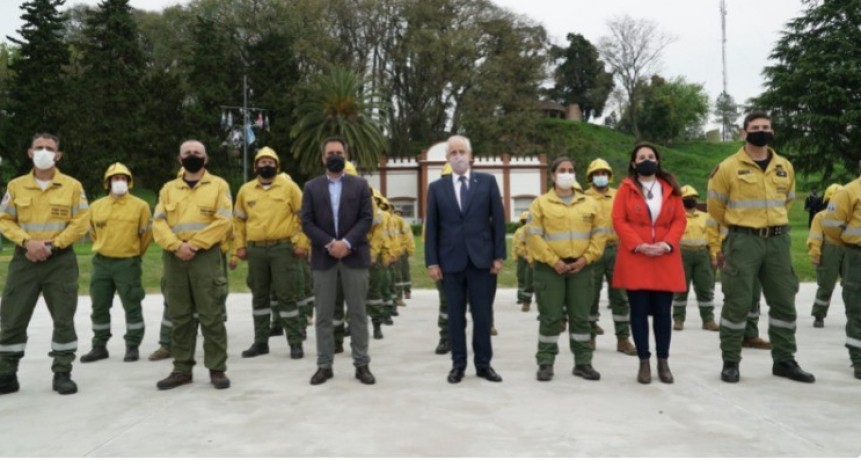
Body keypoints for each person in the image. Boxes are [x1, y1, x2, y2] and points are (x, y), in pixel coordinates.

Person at [707, 111, 815, 384]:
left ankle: (784, 360)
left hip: (778, 241)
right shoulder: (728, 168)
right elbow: (716, 210)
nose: (761, 131)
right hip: (743, 242)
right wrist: (717, 245)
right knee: (737, 302)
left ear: (772, 132)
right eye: (755, 127)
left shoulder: (784, 166)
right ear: (743, 133)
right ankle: (731, 360)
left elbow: (787, 201)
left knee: (784, 301)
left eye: (766, 127)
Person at [0, 133, 90, 395]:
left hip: (59, 261)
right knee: (12, 317)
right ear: (30, 152)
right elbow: (5, 220)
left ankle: (62, 372)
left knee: (63, 318)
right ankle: (6, 373)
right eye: (39, 147)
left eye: (49, 148)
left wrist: (54, 245)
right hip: (24, 259)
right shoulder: (16, 186)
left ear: (58, 155)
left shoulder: (72, 186)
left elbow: (81, 221)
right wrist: (28, 242)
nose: (44, 152)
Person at [425, 135, 506, 384]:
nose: (458, 156)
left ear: (470, 155)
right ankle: (458, 365)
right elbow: (432, 228)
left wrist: (499, 255)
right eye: (453, 152)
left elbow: (498, 222)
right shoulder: (437, 188)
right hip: (450, 263)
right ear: (447, 158)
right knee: (455, 317)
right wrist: (432, 262)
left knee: (482, 316)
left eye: (462, 151)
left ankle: (484, 365)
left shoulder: (488, 182)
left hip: (482, 261)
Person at [152, 140, 233, 390]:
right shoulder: (168, 189)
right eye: (187, 153)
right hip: (175, 258)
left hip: (205, 257)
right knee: (180, 316)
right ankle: (182, 369)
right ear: (180, 159)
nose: (192, 156)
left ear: (206, 158)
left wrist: (194, 245)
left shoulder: (219, 185)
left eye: (197, 153)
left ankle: (217, 369)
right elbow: (158, 222)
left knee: (211, 315)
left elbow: (224, 221)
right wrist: (177, 246)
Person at [301, 136, 375, 386]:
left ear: (346, 156)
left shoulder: (361, 185)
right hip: (324, 258)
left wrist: (347, 243)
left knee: (357, 313)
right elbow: (307, 222)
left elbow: (366, 218)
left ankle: (362, 364)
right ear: (323, 157)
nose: (335, 156)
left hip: (354, 256)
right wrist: (330, 244)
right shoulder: (311, 187)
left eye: (339, 152)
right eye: (330, 152)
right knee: (322, 314)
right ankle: (324, 365)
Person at [526, 157, 606, 382]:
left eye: (571, 170)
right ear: (552, 175)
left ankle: (583, 363)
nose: (567, 174)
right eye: (562, 170)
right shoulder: (540, 203)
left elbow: (600, 235)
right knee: (550, 318)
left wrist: (586, 258)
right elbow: (533, 236)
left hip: (581, 267)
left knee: (581, 318)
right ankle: (545, 362)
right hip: (550, 269)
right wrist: (554, 261)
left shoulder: (590, 203)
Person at [612, 143, 686, 384]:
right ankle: (644, 361)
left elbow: (679, 220)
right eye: (641, 157)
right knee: (639, 311)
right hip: (637, 256)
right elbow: (619, 219)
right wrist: (638, 245)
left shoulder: (670, 188)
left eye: (651, 156)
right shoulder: (626, 188)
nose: (647, 160)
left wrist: (667, 244)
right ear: (634, 163)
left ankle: (663, 362)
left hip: (665, 256)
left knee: (664, 313)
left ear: (658, 160)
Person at [232, 147, 306, 359]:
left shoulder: (289, 187)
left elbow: (304, 216)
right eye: (262, 162)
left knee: (286, 295)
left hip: (282, 248)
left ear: (277, 165)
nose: (266, 165)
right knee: (259, 296)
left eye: (270, 162)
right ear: (255, 166)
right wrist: (240, 246)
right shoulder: (246, 190)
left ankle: (295, 342)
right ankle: (261, 342)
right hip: (255, 250)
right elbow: (238, 221)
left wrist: (302, 242)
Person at [80, 163, 152, 364]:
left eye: (123, 178)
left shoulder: (140, 206)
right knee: (99, 306)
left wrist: (134, 254)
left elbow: (146, 235)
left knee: (132, 305)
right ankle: (99, 346)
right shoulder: (96, 207)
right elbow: (93, 232)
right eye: (115, 178)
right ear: (107, 182)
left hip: (127, 263)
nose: (119, 182)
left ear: (129, 182)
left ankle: (132, 346)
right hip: (102, 262)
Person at [584, 158, 636, 355]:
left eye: (604, 173)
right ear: (590, 177)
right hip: (593, 250)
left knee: (620, 297)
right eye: (596, 174)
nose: (600, 177)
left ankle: (623, 339)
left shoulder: (619, 195)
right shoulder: (583, 198)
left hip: (617, 249)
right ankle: (590, 337)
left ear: (610, 176)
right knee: (591, 296)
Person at [822, 170, 861, 380]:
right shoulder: (849, 191)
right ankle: (859, 359)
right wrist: (847, 244)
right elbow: (831, 224)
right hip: (857, 257)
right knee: (857, 308)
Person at [672, 185, 718, 332]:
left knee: (705, 288)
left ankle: (708, 320)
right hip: (682, 255)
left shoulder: (705, 217)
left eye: (692, 198)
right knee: (680, 289)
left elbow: (712, 237)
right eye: (686, 199)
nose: (690, 200)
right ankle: (678, 320)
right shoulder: (676, 218)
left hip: (702, 255)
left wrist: (714, 255)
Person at [807, 183, 845, 328]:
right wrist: (815, 253)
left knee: (854, 285)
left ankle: (855, 316)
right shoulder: (820, 217)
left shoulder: (852, 216)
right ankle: (819, 315)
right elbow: (815, 237)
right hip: (830, 249)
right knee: (826, 285)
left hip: (849, 249)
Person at [512, 211, 534, 312]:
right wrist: (520, 255)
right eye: (525, 221)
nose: (526, 222)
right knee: (522, 277)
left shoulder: (535, 229)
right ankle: (523, 299)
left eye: (528, 220)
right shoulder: (520, 231)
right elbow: (517, 245)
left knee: (537, 280)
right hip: (524, 257)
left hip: (535, 257)